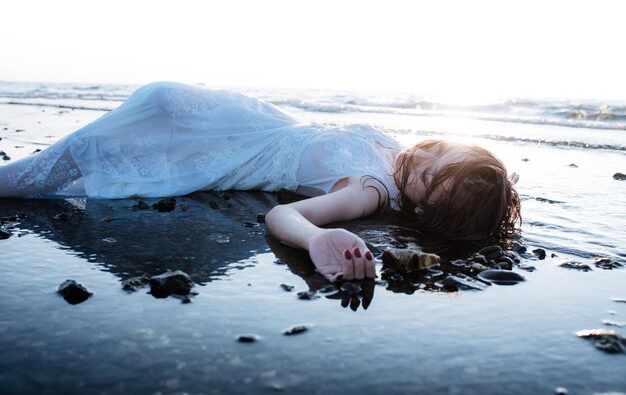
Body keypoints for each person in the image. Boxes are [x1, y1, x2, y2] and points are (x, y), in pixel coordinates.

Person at [0, 82, 521, 282]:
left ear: (424, 209)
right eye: (437, 147)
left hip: (199, 147)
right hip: (226, 117)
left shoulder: (371, 188)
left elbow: (283, 215)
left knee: (26, 179)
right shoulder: (392, 148)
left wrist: (317, 237)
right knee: (50, 162)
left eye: (427, 178)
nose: (420, 158)